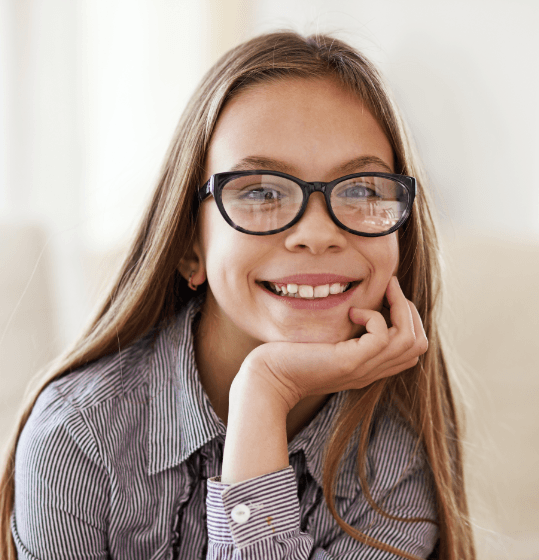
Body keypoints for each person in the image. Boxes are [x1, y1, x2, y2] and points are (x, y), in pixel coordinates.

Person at [0, 31, 476, 560]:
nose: (317, 234)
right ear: (189, 247)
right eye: (261, 192)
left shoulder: (393, 459)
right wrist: (267, 389)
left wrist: (264, 394)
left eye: (362, 188)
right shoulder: (77, 438)